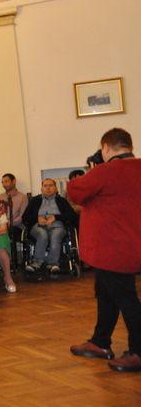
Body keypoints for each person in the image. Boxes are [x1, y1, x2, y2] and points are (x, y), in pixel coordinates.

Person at [68, 128, 141, 372]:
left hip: (113, 249)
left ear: (106, 148)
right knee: (105, 293)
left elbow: (74, 191)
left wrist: (93, 169)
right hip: (132, 244)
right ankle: (100, 342)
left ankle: (139, 351)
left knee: (127, 299)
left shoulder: (105, 171)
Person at [23, 178, 78, 274]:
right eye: (45, 186)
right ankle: (36, 263)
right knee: (42, 234)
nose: (48, 188)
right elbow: (25, 217)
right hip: (38, 226)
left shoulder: (61, 201)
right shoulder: (35, 200)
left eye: (51, 185)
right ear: (41, 188)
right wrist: (37, 218)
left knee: (56, 235)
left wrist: (56, 217)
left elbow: (73, 216)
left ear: (56, 188)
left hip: (57, 226)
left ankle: (53, 264)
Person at [0, 173, 29, 240]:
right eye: (2, 182)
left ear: (14, 181)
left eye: (6, 181)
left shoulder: (23, 197)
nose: (4, 184)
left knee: (6, 232)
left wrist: (7, 224)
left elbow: (22, 217)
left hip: (16, 226)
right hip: (1, 225)